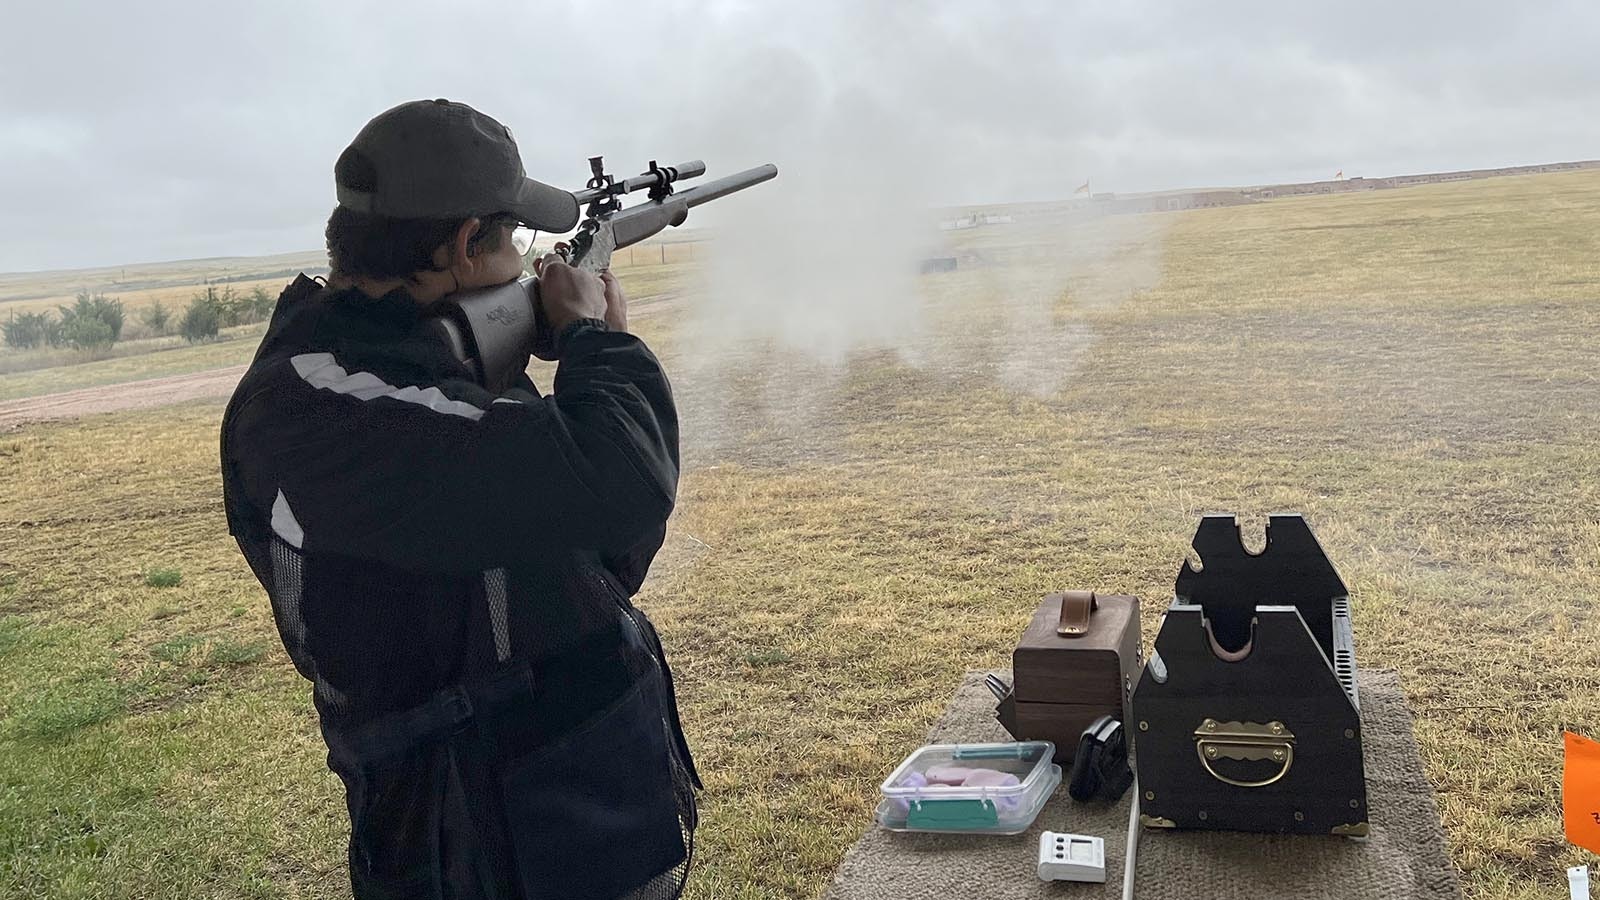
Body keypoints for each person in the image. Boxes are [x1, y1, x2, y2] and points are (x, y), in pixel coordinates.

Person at [220, 99, 698, 900]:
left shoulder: (427, 382)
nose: (524, 260)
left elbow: (606, 556)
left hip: (578, 801)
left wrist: (517, 365)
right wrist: (596, 341)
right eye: (511, 240)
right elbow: (624, 484)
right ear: (465, 246)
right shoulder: (318, 404)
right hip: (473, 830)